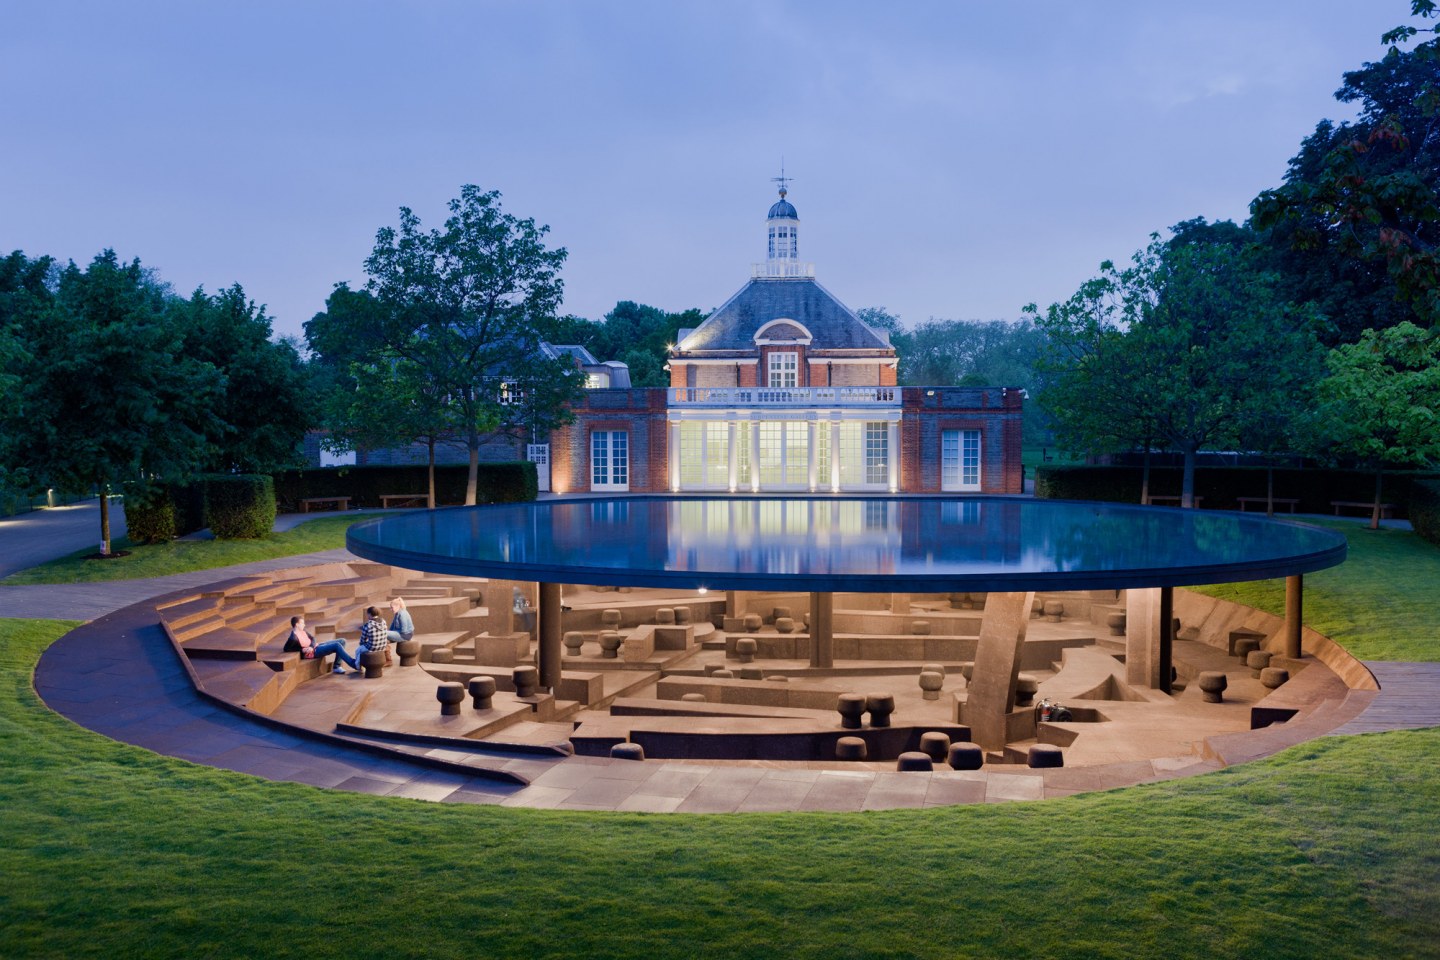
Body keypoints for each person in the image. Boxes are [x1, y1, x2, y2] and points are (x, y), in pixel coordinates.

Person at [284, 615, 358, 674]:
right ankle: (354, 664)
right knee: (337, 645)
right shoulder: (293, 638)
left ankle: (336, 666)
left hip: (316, 646)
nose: (304, 625)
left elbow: (313, 638)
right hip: (314, 653)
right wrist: (302, 650)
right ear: (297, 624)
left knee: (342, 641)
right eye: (302, 623)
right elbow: (286, 648)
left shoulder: (302, 631)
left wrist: (311, 646)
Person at [355, 606, 390, 672]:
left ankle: (358, 667)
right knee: (364, 647)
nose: (367, 615)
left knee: (358, 650)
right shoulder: (383, 621)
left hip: (372, 648)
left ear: (370, 614)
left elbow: (362, 640)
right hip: (383, 647)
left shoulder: (368, 625)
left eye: (367, 614)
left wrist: (363, 644)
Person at [386, 597, 415, 666]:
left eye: (392, 607)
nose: (391, 609)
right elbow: (392, 627)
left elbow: (404, 630)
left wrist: (392, 634)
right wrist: (390, 635)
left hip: (405, 635)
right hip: (400, 633)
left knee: (383, 633)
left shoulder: (402, 614)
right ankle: (388, 660)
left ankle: (388, 660)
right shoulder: (397, 614)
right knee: (383, 639)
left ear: (398, 606)